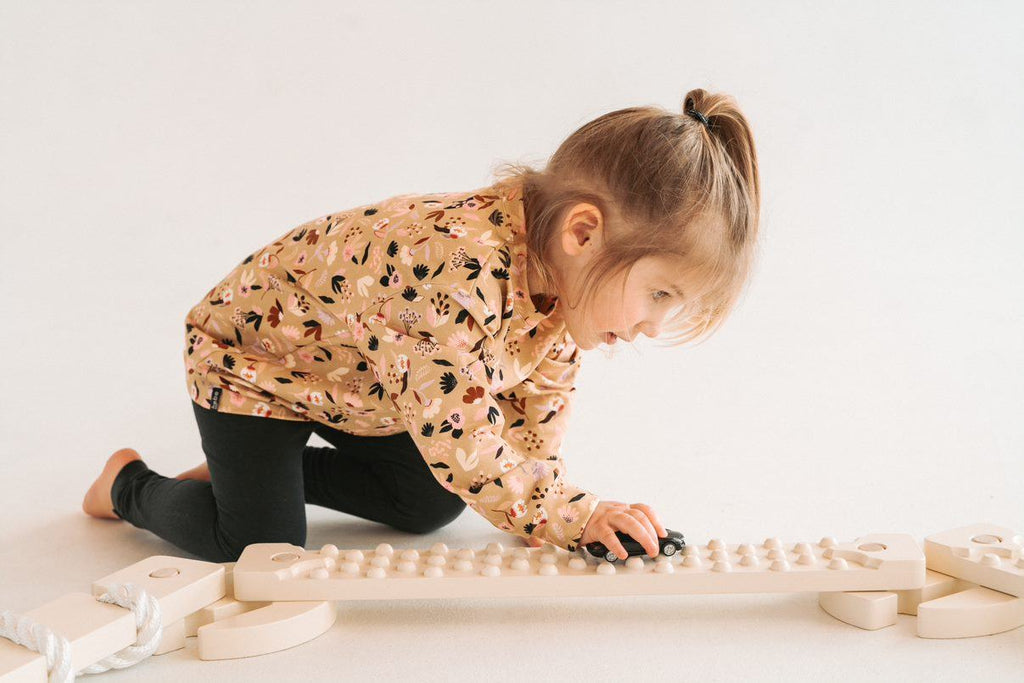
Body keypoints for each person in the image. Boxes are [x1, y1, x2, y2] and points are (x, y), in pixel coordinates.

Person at [82, 87, 761, 564]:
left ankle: (259, 468)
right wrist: (567, 512)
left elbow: (539, 401)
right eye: (659, 293)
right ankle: (127, 484)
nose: (652, 326)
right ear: (584, 232)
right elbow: (458, 434)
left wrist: (546, 505)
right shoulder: (453, 274)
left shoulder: (561, 281)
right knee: (262, 548)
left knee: (429, 504)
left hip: (357, 385)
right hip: (253, 368)